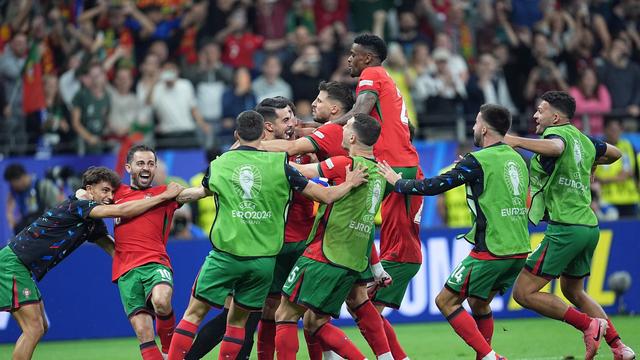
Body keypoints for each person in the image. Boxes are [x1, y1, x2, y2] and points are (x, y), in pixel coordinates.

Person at [166, 110, 367, 360]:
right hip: (263, 263)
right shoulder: (281, 167)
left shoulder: (220, 165)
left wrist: (168, 196)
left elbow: (197, 193)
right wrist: (350, 183)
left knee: (193, 314)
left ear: (237, 135)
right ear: (264, 134)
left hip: (225, 257)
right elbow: (325, 195)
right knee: (238, 324)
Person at [378, 104, 530, 360]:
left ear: (484, 127)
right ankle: (485, 356)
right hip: (519, 249)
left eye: (475, 123)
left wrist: (398, 182)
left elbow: (435, 186)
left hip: (492, 249)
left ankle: (490, 356)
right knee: (479, 303)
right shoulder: (517, 158)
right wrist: (469, 171)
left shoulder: (478, 160)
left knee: (445, 301)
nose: (473, 128)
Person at [261, 83, 396, 360]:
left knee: (285, 314)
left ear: (355, 139)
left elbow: (297, 170)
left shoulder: (342, 164)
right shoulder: (382, 174)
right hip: (354, 261)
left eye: (347, 128)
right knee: (314, 322)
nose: (341, 129)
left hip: (324, 254)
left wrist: (251, 153)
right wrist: (376, 266)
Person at [0, 166, 183, 360]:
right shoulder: (79, 204)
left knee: (41, 327)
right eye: (105, 190)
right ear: (89, 189)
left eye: (112, 192)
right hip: (12, 264)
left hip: (21, 267)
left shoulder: (92, 222)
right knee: (34, 329)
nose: (110, 196)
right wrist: (163, 196)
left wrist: (141, 273)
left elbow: (116, 251)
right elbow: (121, 210)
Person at [504, 91, 635, 360]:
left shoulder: (558, 136)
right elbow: (615, 153)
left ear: (555, 116)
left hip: (566, 226)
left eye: (540, 110)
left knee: (523, 292)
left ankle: (588, 326)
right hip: (588, 227)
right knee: (573, 290)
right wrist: (589, 164)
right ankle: (620, 347)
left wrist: (514, 140)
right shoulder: (584, 141)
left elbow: (556, 148)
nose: (535, 115)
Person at [184, 100, 299, 360]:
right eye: (286, 119)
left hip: (261, 242)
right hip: (261, 244)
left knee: (250, 315)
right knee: (246, 315)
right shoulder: (266, 156)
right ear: (267, 127)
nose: (292, 123)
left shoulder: (262, 150)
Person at [336, 34, 424, 360]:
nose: (349, 59)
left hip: (400, 254)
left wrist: (320, 132)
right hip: (397, 248)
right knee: (361, 306)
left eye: (353, 54)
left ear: (368, 58)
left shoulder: (373, 75)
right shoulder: (413, 171)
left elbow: (361, 111)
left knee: (360, 307)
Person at [111, 145, 189, 359]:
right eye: (140, 163)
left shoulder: (166, 192)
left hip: (156, 262)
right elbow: (85, 195)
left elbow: (197, 193)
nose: (146, 168)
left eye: (151, 163)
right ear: (128, 167)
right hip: (126, 271)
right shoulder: (115, 194)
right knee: (144, 332)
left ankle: (168, 351)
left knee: (162, 300)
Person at [594, 118, 639, 218]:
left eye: (618, 130)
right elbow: (595, 176)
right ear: (605, 130)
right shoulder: (599, 147)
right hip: (606, 198)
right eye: (612, 130)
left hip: (629, 197)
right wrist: (616, 178)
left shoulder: (627, 145)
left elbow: (632, 171)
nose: (615, 133)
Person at [3, 163, 62, 234]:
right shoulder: (16, 191)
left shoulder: (44, 186)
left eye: (14, 184)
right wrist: (10, 217)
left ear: (22, 177)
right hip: (29, 230)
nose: (13, 187)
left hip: (46, 229)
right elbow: (10, 211)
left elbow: (59, 209)